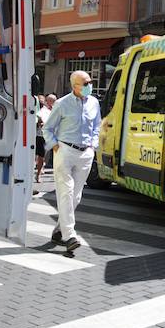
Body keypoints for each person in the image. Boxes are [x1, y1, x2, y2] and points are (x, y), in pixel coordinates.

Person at [42, 71, 101, 255]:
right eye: (85, 83)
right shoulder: (62, 104)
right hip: (65, 150)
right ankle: (70, 236)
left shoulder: (94, 102)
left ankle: (59, 230)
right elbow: (47, 127)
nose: (89, 85)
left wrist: (94, 145)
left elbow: (97, 125)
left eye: (90, 82)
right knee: (66, 193)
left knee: (75, 196)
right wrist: (54, 146)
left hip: (86, 153)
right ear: (74, 86)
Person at [34, 93, 52, 187]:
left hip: (43, 136)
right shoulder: (36, 110)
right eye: (39, 102)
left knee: (41, 157)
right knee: (32, 156)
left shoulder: (48, 112)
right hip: (34, 135)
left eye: (42, 101)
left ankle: (38, 174)